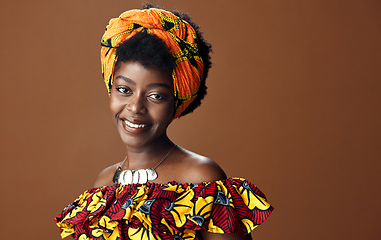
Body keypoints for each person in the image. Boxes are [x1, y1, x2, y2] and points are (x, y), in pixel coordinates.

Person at [55, 4, 273, 240]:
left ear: (177, 102)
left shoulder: (201, 179)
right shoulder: (102, 186)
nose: (135, 107)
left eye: (156, 96)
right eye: (124, 89)